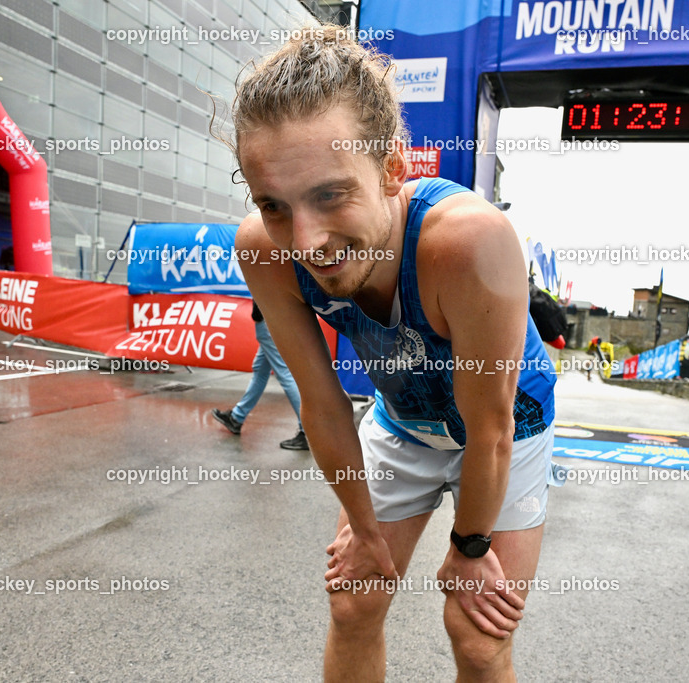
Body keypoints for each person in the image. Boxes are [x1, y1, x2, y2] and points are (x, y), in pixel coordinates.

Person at [230, 26, 560, 681]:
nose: (307, 241)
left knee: (475, 630)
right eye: (273, 204)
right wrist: (363, 528)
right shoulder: (264, 250)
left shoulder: (470, 244)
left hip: (506, 429)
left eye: (329, 194)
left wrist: (469, 547)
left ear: (391, 167)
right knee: (355, 600)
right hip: (405, 420)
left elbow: (489, 429)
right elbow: (323, 405)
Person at [211, 300, 309, 450]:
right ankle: (237, 417)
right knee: (261, 370)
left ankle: (307, 431)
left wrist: (258, 315)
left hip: (270, 318)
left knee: (283, 374)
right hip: (278, 317)